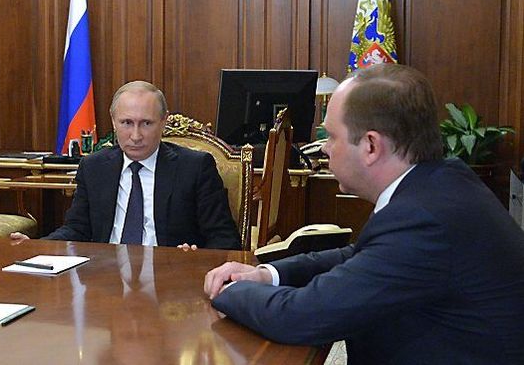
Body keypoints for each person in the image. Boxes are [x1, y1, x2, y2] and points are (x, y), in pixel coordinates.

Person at [205, 64, 524, 364]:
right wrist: (267, 275)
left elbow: (303, 316)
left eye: (331, 136)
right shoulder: (441, 182)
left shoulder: (424, 221)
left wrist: (231, 291)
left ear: (371, 146)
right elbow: (359, 258)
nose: (325, 149)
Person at [12, 81, 241, 249]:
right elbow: (76, 229)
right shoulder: (94, 167)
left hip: (171, 281)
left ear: (163, 122)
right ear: (113, 121)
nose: (135, 135)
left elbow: (225, 239)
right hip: (104, 279)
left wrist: (195, 256)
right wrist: (37, 246)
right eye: (126, 123)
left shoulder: (195, 168)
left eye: (146, 123)